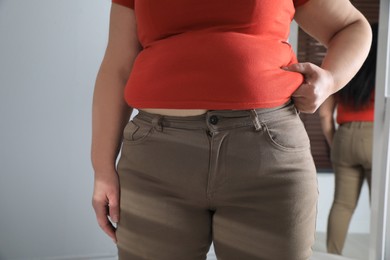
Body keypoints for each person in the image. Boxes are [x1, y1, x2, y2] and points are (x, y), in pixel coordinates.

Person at [91, 1, 371, 259]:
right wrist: (102, 169)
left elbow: (351, 27)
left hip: (267, 158)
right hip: (155, 165)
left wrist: (330, 81)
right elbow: (118, 65)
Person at [319, 23, 377, 255]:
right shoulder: (383, 71)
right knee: (380, 206)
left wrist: (336, 143)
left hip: (344, 136)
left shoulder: (346, 68)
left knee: (342, 204)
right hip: (376, 138)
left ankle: (332, 256)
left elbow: (324, 113)